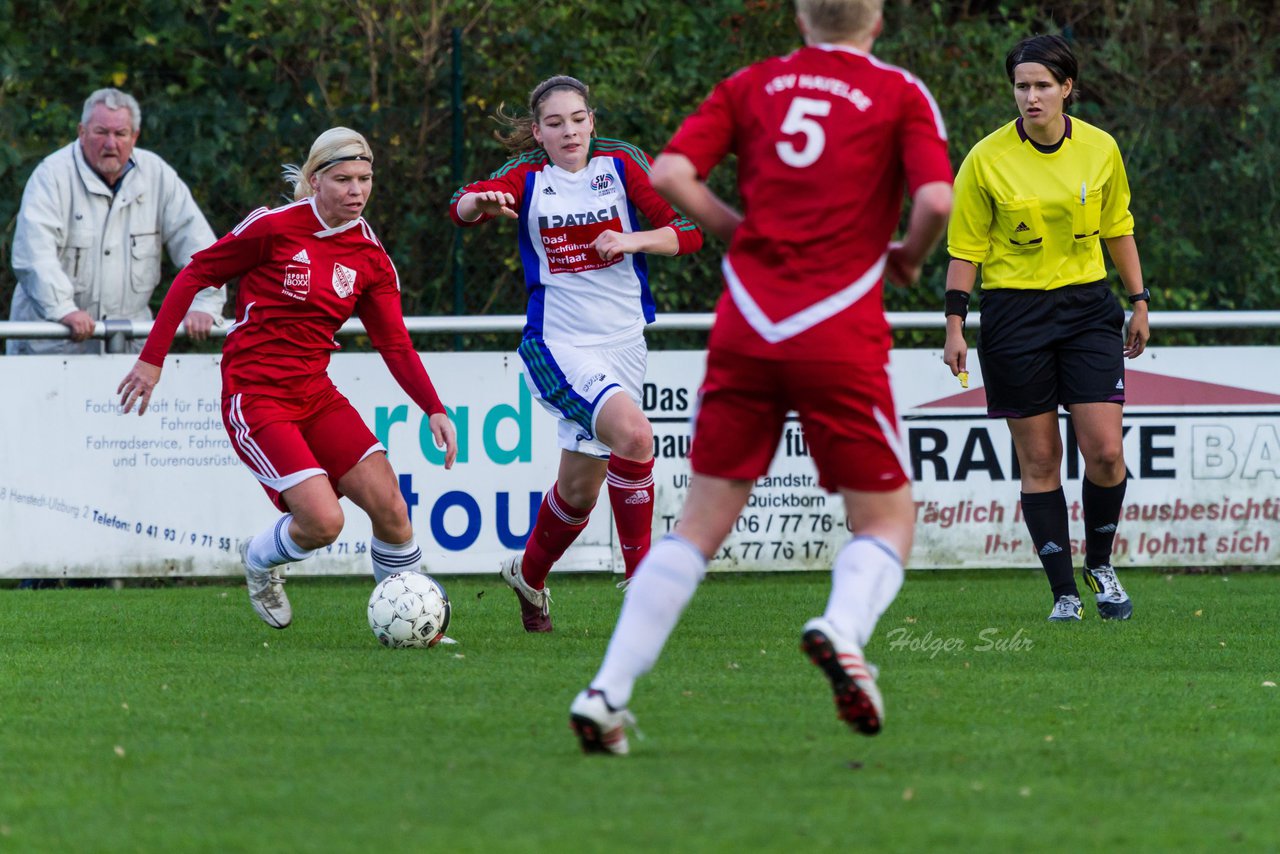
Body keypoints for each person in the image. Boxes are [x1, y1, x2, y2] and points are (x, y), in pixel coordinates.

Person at [567, 0, 954, 755]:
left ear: (802, 21)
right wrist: (907, 255)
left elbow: (674, 172)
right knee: (885, 520)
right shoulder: (899, 92)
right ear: (874, 23)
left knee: (698, 527)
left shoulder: (751, 85)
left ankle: (606, 691)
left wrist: (730, 230)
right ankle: (842, 630)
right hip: (838, 326)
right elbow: (937, 198)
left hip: (749, 322)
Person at [117, 127, 458, 629]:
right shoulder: (274, 227)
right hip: (255, 396)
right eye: (343, 179)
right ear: (315, 181)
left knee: (392, 508)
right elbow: (195, 275)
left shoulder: (369, 257)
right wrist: (152, 359)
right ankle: (259, 559)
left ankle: (411, 623)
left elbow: (395, 343)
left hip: (315, 393)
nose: (356, 191)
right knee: (324, 522)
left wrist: (433, 407)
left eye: (365, 179)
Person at [449, 76, 703, 633]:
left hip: (625, 344)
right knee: (635, 436)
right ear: (537, 133)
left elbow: (686, 231)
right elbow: (461, 206)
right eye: (556, 123)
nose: (570, 131)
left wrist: (630, 240)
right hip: (558, 344)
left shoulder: (622, 165)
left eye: (579, 119)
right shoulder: (526, 178)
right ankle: (646, 588)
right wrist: (481, 203)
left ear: (593, 121)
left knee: (578, 492)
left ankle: (527, 574)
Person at [942, 34, 1147, 623]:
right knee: (1040, 461)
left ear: (1066, 89)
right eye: (1021, 86)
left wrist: (1139, 300)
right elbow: (965, 250)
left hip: (1087, 309)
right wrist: (955, 323)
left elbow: (1119, 227)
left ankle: (1101, 566)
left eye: (1041, 86)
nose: (1030, 97)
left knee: (1105, 452)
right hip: (1013, 314)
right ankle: (1063, 593)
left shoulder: (1101, 149)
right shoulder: (985, 158)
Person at [8, 87, 224, 355]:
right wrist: (64, 309)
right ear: (82, 132)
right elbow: (33, 255)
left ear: (134, 136)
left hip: (129, 352)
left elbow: (201, 248)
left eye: (120, 134)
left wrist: (204, 304)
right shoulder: (51, 176)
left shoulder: (158, 175)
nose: (111, 144)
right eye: (101, 132)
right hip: (52, 346)